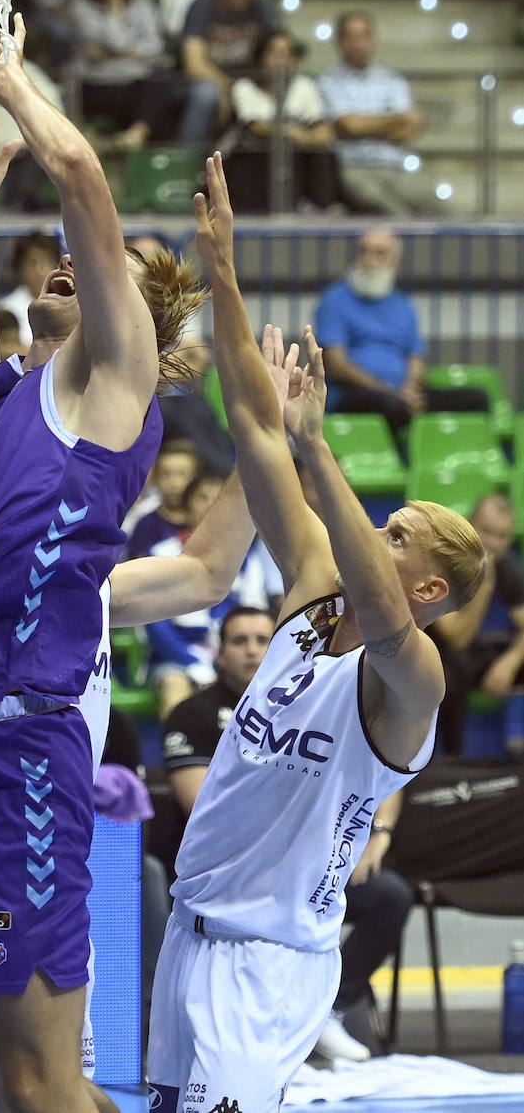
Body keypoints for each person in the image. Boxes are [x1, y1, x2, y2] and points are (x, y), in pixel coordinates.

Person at [0, 18, 204, 1113]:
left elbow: (74, 171)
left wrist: (1, 76)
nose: (63, 262)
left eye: (91, 269)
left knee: (37, 1080)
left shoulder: (109, 388)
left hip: (17, 751)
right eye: (54, 262)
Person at [147, 152, 486, 1112]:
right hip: (190, 930)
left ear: (425, 584)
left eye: (393, 536)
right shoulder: (311, 599)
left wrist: (318, 446)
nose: (369, 538)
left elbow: (378, 611)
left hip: (268, 961)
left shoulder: (410, 675)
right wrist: (221, 270)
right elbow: (255, 429)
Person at [161, 605, 415, 1065]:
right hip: (235, 878)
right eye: (240, 641)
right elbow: (205, 808)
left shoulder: (323, 692)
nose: (253, 651)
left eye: (262, 639)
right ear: (219, 652)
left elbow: (386, 768)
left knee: (392, 895)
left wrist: (375, 835)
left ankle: (330, 1012)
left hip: (313, 872)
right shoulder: (193, 714)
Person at [313, 226, 488, 433]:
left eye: (380, 253)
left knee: (475, 400)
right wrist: (390, 391)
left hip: (401, 393)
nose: (369, 260)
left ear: (396, 263)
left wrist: (410, 388)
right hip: (354, 394)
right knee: (392, 406)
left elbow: (415, 356)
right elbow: (337, 364)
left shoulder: (403, 305)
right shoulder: (334, 300)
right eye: (363, 251)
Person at [143, 471, 283, 716]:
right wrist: (195, 665)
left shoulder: (248, 558)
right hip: (177, 656)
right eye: (202, 497)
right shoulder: (161, 553)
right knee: (174, 686)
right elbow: (156, 625)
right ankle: (181, 750)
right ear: (185, 510)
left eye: (218, 498)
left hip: (232, 652)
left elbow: (254, 615)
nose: (210, 504)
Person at [72, 0, 199, 151]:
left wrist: (113, 54)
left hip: (133, 83)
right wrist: (114, 8)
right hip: (96, 84)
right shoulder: (82, 9)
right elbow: (116, 43)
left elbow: (155, 47)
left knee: (160, 88)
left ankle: (136, 137)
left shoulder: (143, 7)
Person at [431, 493, 524, 753]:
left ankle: (513, 759)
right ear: (469, 524)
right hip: (427, 651)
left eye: (502, 536)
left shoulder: (503, 565)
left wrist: (510, 662)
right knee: (455, 671)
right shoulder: (445, 561)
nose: (494, 543)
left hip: (465, 653)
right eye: (487, 532)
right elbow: (455, 638)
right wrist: (485, 584)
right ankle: (450, 761)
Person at [318, 12, 435, 216]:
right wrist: (392, 121)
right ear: (339, 42)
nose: (358, 43)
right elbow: (348, 126)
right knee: (396, 215)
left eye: (364, 36)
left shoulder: (391, 79)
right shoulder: (327, 82)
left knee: (440, 209)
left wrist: (363, 125)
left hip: (397, 166)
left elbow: (409, 128)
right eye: (351, 37)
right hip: (353, 169)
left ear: (373, 39)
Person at [226, 30, 343, 214]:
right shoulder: (244, 87)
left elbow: (325, 132)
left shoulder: (304, 87)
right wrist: (294, 133)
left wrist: (305, 138)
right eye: (274, 54)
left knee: (323, 153)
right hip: (256, 161)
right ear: (260, 57)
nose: (280, 62)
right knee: (274, 151)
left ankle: (321, 207)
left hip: (299, 156)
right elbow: (257, 128)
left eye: (286, 54)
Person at [179, 0, 275, 140]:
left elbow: (274, 52)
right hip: (205, 80)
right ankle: (188, 163)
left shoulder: (262, 9)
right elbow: (194, 64)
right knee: (205, 93)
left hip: (248, 82)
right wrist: (226, 87)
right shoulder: (202, 5)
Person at [0, 232, 61, 342]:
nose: (40, 270)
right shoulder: (8, 310)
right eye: (32, 263)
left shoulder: (71, 306)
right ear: (20, 268)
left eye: (47, 262)